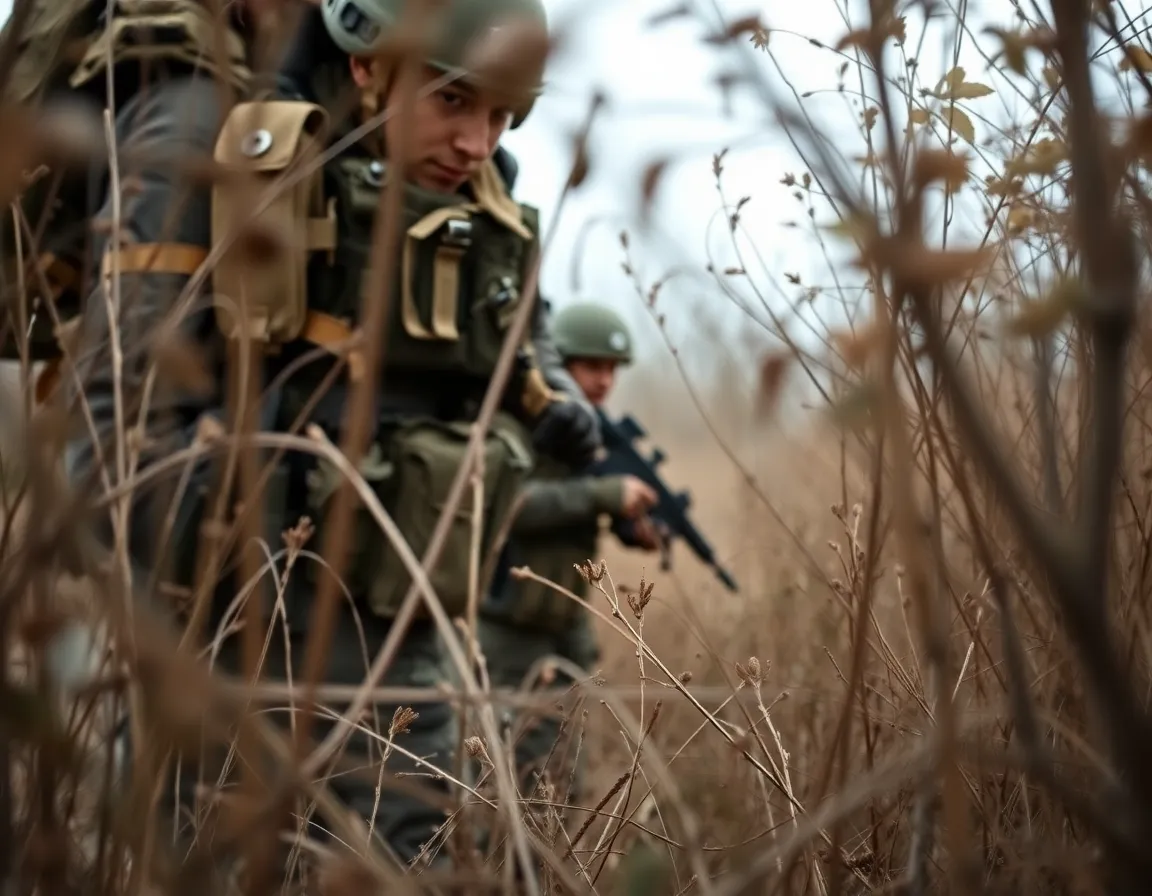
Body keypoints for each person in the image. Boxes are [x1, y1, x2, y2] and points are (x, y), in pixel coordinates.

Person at [56, 0, 605, 879]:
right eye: (454, 103)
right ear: (365, 66)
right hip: (224, 664)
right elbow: (106, 443)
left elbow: (517, 332)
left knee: (430, 869)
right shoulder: (214, 134)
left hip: (399, 656)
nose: (475, 143)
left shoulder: (478, 189)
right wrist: (243, 561)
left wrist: (553, 396)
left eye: (501, 115)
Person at [477, 300, 660, 807]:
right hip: (510, 631)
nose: (603, 381)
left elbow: (580, 502)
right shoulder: (522, 426)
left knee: (562, 788)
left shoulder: (596, 437)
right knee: (511, 789)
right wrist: (604, 496)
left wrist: (631, 523)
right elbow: (508, 506)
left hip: (567, 632)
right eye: (590, 367)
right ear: (558, 364)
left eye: (611, 370)